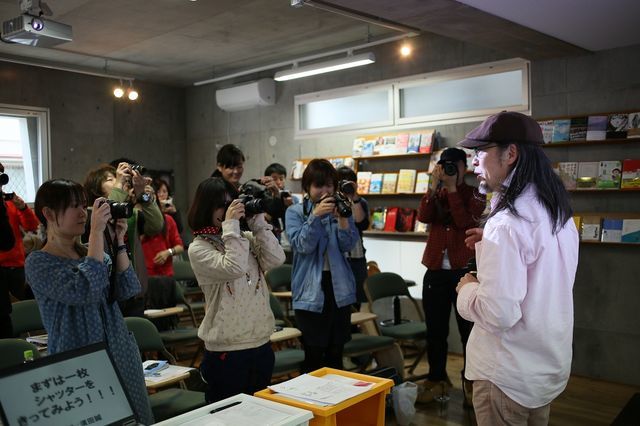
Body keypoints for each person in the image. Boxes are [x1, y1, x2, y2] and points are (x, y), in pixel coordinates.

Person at [455, 111, 579, 425]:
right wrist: (493, 241)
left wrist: (467, 290)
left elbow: (498, 314)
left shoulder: (507, 224)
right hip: (543, 369)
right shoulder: (558, 212)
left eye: (481, 152)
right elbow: (541, 270)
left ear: (510, 154)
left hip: (505, 374)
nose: (474, 162)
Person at [24, 179, 154, 424]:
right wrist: (95, 233)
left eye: (84, 206)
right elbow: (84, 290)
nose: (84, 213)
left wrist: (119, 240)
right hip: (78, 359)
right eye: (74, 206)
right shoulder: (38, 262)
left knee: (136, 418)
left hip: (119, 350)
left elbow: (128, 288)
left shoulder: (93, 253)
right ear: (48, 213)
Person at [187, 177, 285, 403]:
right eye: (222, 205)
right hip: (227, 350)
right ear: (206, 208)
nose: (230, 209)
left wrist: (257, 223)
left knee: (261, 413)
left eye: (232, 202)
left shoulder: (243, 239)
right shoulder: (198, 248)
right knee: (229, 416)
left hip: (260, 343)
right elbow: (234, 267)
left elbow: (276, 258)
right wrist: (231, 226)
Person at [416, 148, 486, 404]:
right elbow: (423, 216)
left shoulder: (475, 193)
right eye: (444, 165)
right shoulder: (437, 192)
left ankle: (470, 382)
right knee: (435, 331)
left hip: (463, 272)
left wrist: (453, 189)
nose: (448, 170)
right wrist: (433, 187)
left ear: (464, 168)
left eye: (453, 166)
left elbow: (465, 222)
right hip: (435, 270)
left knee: (468, 332)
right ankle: (436, 378)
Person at [285, 159, 358, 372]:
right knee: (314, 354)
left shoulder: (341, 208)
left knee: (336, 352)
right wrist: (315, 216)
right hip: (311, 290)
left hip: (339, 288)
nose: (325, 191)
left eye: (329, 185)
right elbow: (302, 245)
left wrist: (343, 219)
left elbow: (348, 245)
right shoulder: (295, 212)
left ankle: (337, 394)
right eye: (318, 185)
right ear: (307, 187)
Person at [84, 162, 163, 316]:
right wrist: (119, 183)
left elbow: (156, 225)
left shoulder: (130, 214)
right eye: (110, 179)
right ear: (95, 189)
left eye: (119, 178)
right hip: (104, 296)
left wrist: (142, 194)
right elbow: (108, 214)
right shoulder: (89, 216)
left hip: (133, 292)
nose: (119, 181)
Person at [0, 162, 40, 338]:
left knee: (19, 308)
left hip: (16, 265)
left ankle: (22, 340)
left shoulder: (9, 203)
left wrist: (23, 208)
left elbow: (31, 226)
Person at [335, 165, 370, 308]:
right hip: (339, 258)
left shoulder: (361, 202)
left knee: (357, 298)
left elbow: (361, 223)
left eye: (350, 181)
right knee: (342, 301)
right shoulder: (333, 203)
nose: (346, 185)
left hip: (357, 256)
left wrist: (354, 197)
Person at [140, 194, 184, 277]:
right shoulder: (137, 221)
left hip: (165, 274)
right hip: (143, 275)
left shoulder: (168, 220)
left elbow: (180, 247)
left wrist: (168, 252)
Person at [263, 162, 297, 242]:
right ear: (267, 180)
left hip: (290, 240)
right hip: (270, 240)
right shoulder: (262, 198)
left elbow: (297, 221)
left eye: (281, 179)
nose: (278, 182)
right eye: (275, 179)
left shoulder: (292, 198)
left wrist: (291, 207)